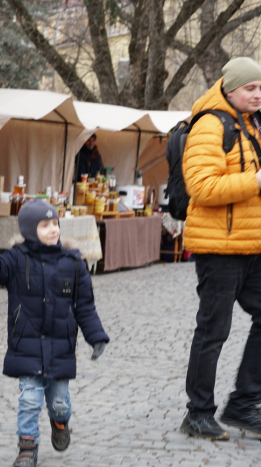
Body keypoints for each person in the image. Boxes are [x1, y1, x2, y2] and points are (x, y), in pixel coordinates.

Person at [0, 200, 109, 467]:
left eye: (55, 223)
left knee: (59, 403)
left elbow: (85, 305)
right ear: (29, 230)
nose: (53, 229)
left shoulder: (73, 262)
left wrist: (96, 336)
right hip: (26, 345)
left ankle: (60, 423)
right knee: (29, 399)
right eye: (45, 225)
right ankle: (27, 448)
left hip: (61, 348)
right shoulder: (16, 259)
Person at [179, 57, 261, 441]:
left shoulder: (251, 125)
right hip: (218, 248)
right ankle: (198, 413)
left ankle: (244, 403)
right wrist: (255, 181)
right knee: (214, 331)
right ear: (230, 89)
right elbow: (203, 188)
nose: (258, 94)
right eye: (251, 88)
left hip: (252, 245)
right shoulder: (210, 125)